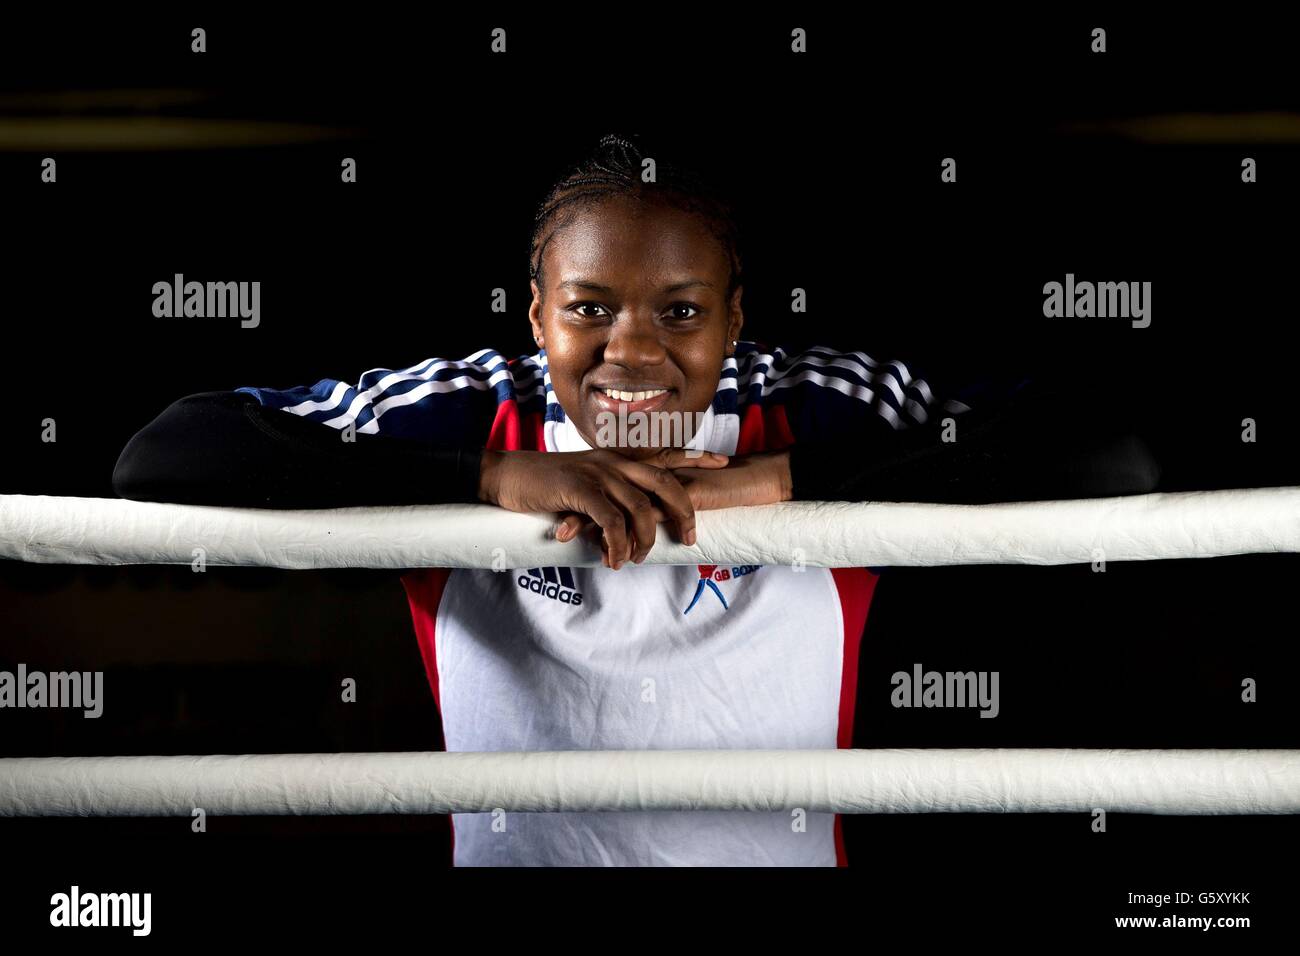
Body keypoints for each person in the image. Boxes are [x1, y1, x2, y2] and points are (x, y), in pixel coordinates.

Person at [113, 134, 1160, 865]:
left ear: (734, 318)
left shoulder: (813, 401)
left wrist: (795, 483)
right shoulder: (469, 404)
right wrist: (485, 477)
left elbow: (1105, 454)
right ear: (536, 314)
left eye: (680, 311)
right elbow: (164, 453)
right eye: (589, 308)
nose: (633, 350)